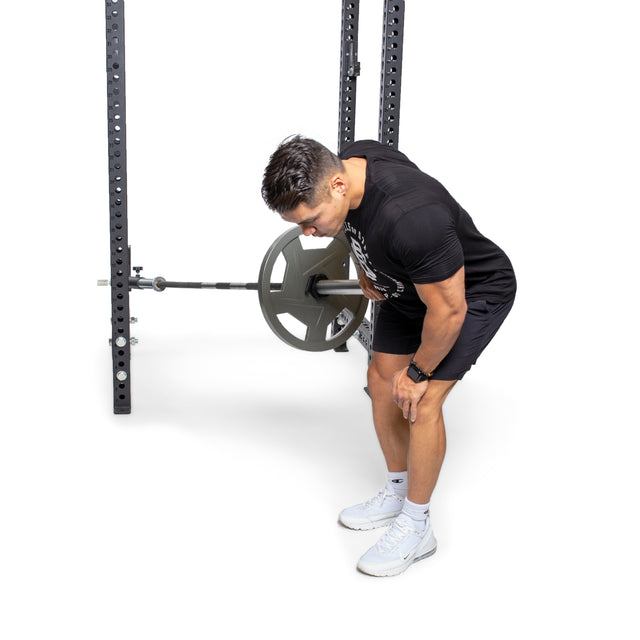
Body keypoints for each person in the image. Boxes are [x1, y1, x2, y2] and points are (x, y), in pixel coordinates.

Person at [261, 136, 516, 577]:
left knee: (422, 399)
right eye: (299, 224)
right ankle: (397, 491)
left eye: (312, 221)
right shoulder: (359, 157)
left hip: (467, 297)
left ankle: (418, 527)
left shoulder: (414, 219)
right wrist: (367, 267)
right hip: (406, 289)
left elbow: (449, 310)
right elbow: (362, 229)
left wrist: (419, 371)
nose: (308, 234)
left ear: (338, 185)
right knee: (381, 382)